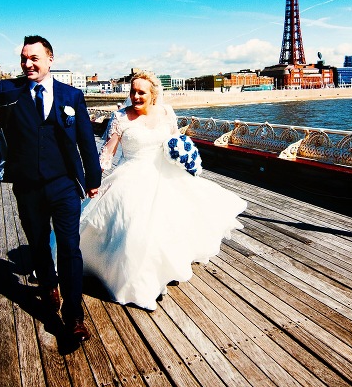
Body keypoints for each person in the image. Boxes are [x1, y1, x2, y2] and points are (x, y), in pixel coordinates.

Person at [0, 37, 101, 344]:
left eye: (34, 58)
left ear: (50, 58)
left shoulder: (71, 95)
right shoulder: (10, 92)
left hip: (63, 185)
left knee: (70, 248)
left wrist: (93, 177)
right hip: (27, 186)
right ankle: (48, 284)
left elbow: (86, 139)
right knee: (37, 243)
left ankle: (74, 316)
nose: (28, 64)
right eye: (24, 59)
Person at [79, 71, 245, 311]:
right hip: (131, 176)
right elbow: (107, 153)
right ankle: (138, 282)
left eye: (141, 92)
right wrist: (94, 179)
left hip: (165, 174)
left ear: (153, 94)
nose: (135, 96)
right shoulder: (120, 118)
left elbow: (175, 141)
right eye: (132, 92)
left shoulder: (167, 113)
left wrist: (185, 157)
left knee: (172, 222)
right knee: (134, 228)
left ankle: (167, 268)